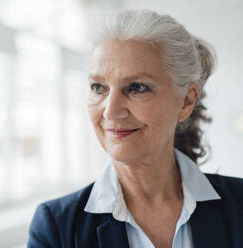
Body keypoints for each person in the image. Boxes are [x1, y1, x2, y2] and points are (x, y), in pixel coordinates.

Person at [27, 9, 243, 248]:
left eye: (137, 87)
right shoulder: (57, 228)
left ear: (186, 101)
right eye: (99, 87)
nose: (110, 111)